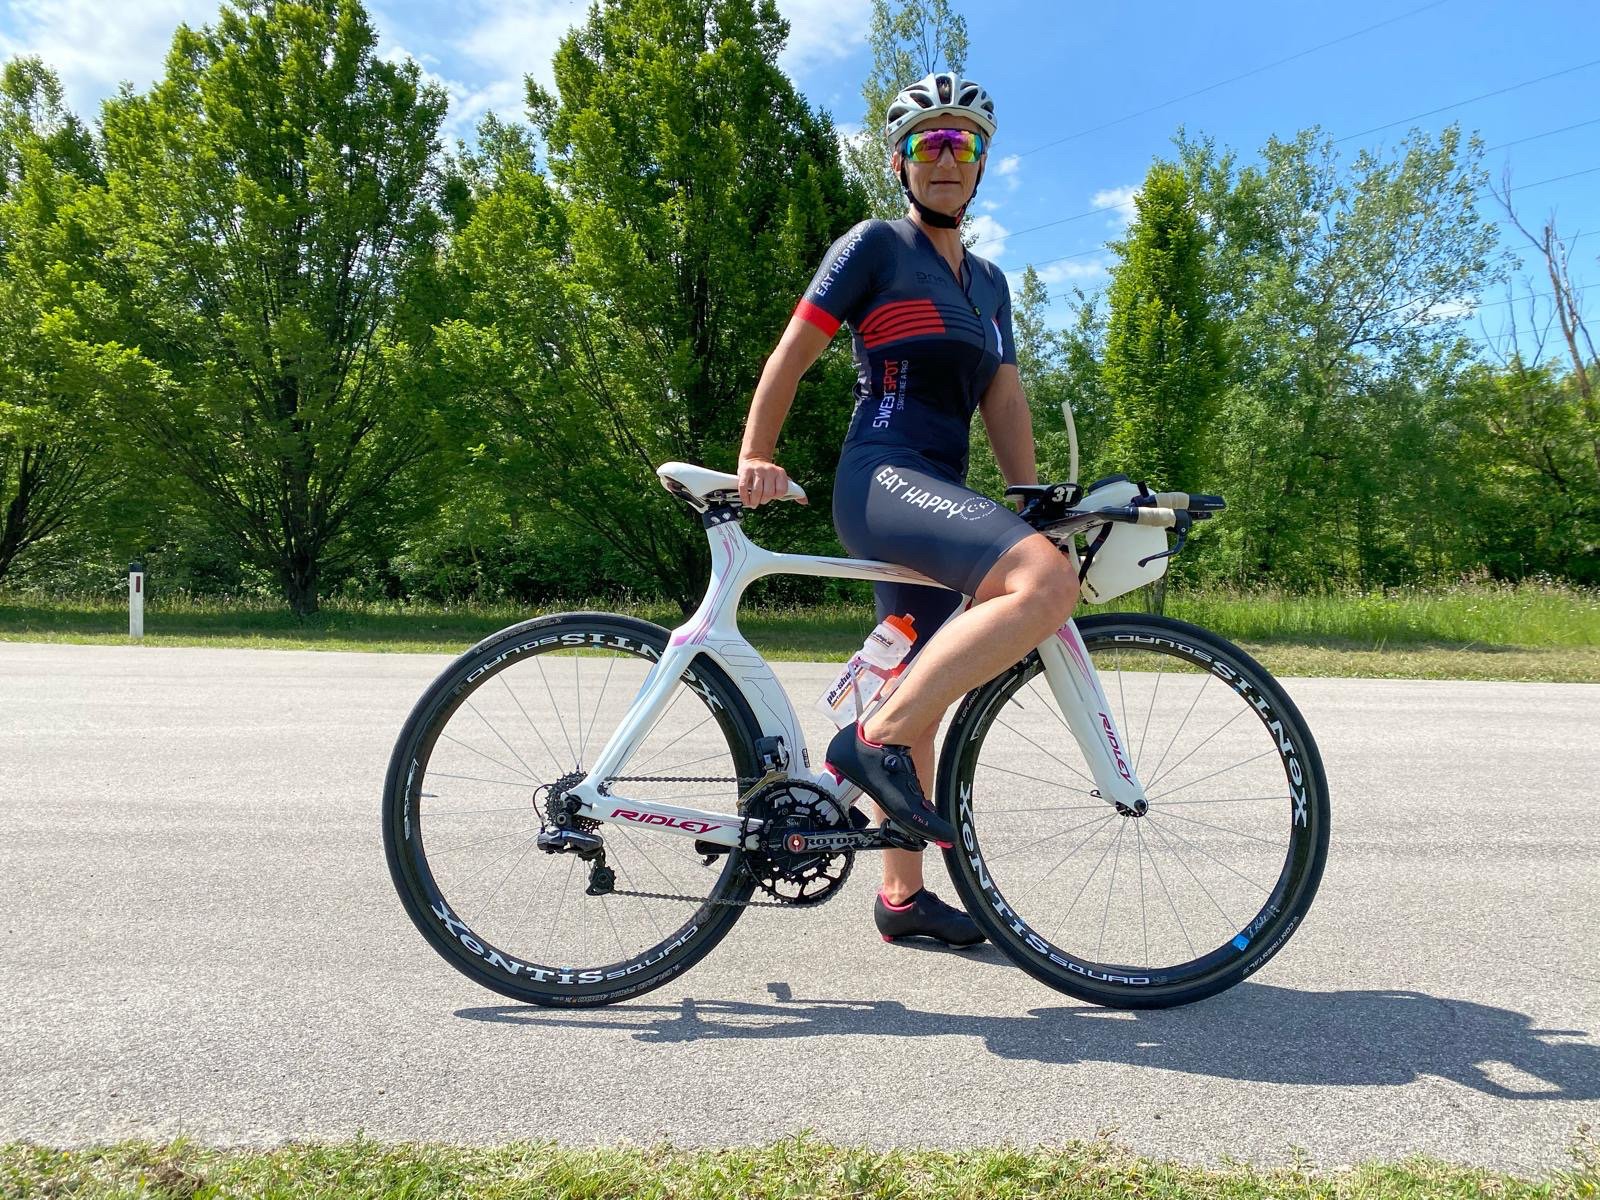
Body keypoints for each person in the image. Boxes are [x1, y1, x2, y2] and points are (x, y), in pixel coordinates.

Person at [737, 72, 1079, 947]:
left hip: (944, 490)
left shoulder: (992, 284)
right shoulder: (876, 246)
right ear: (901, 160)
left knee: (920, 664)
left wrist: (1028, 498)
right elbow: (794, 349)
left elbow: (1004, 397)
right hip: (881, 474)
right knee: (1046, 583)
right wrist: (756, 453)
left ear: (982, 164)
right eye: (930, 142)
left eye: (963, 143)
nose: (947, 157)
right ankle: (871, 739)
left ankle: (900, 896)